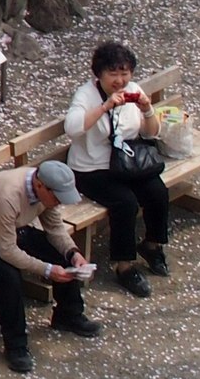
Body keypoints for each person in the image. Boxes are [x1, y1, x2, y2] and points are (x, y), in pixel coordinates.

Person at [0, 160, 101, 374]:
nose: (59, 203)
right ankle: (16, 345)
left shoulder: (44, 195)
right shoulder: (8, 196)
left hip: (12, 230)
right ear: (41, 186)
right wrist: (48, 270)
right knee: (9, 276)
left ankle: (69, 315)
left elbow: (54, 228)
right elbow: (8, 251)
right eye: (57, 197)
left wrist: (73, 252)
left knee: (61, 256)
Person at [65, 41, 171, 297]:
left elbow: (151, 133)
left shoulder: (133, 89)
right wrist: (105, 107)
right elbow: (72, 128)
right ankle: (124, 266)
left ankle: (152, 245)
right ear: (99, 74)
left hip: (125, 163)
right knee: (125, 203)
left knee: (157, 191)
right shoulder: (86, 95)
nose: (120, 80)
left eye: (125, 73)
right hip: (91, 168)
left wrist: (146, 109)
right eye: (113, 74)